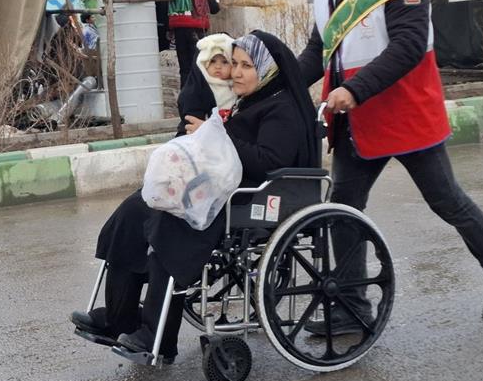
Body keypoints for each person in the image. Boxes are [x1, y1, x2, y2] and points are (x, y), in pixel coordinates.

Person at [297, 0, 483, 335]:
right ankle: (352, 308)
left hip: (405, 115)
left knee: (448, 202)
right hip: (355, 122)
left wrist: (354, 89)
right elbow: (316, 53)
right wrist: (272, 83)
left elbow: (408, 47)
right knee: (343, 211)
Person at [70, 30, 319, 361]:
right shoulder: (247, 101)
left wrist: (215, 135)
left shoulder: (280, 108)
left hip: (251, 199)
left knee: (170, 224)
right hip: (220, 190)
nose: (236, 72)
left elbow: (268, 163)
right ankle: (120, 318)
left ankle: (157, 336)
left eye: (246, 66)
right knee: (134, 211)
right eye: (234, 64)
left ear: (268, 69)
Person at [167, 0, 221, 88]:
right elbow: (214, 8)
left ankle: (185, 96)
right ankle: (199, 96)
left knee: (184, 67)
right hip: (197, 27)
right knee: (199, 64)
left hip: (178, 27)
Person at [176, 33, 236, 135]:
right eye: (212, 61)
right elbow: (191, 122)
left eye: (225, 62)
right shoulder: (196, 89)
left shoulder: (237, 87)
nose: (218, 66)